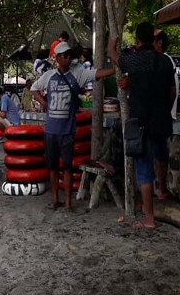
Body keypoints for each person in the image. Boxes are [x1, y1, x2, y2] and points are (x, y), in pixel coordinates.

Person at [32, 42, 115, 211]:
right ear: (57, 58)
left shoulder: (78, 74)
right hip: (51, 131)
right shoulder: (48, 76)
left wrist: (114, 66)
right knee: (53, 168)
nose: (68, 58)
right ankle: (55, 200)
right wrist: (44, 103)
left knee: (68, 168)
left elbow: (98, 73)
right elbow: (34, 88)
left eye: (69, 55)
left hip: (67, 131)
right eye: (65, 55)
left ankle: (68, 203)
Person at [108, 23, 176, 229]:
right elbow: (172, 92)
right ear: (153, 40)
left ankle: (149, 218)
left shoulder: (134, 59)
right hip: (161, 120)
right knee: (161, 155)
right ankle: (162, 190)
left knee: (144, 170)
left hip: (141, 122)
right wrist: (165, 110)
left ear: (137, 40)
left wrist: (112, 43)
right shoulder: (165, 61)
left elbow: (114, 56)